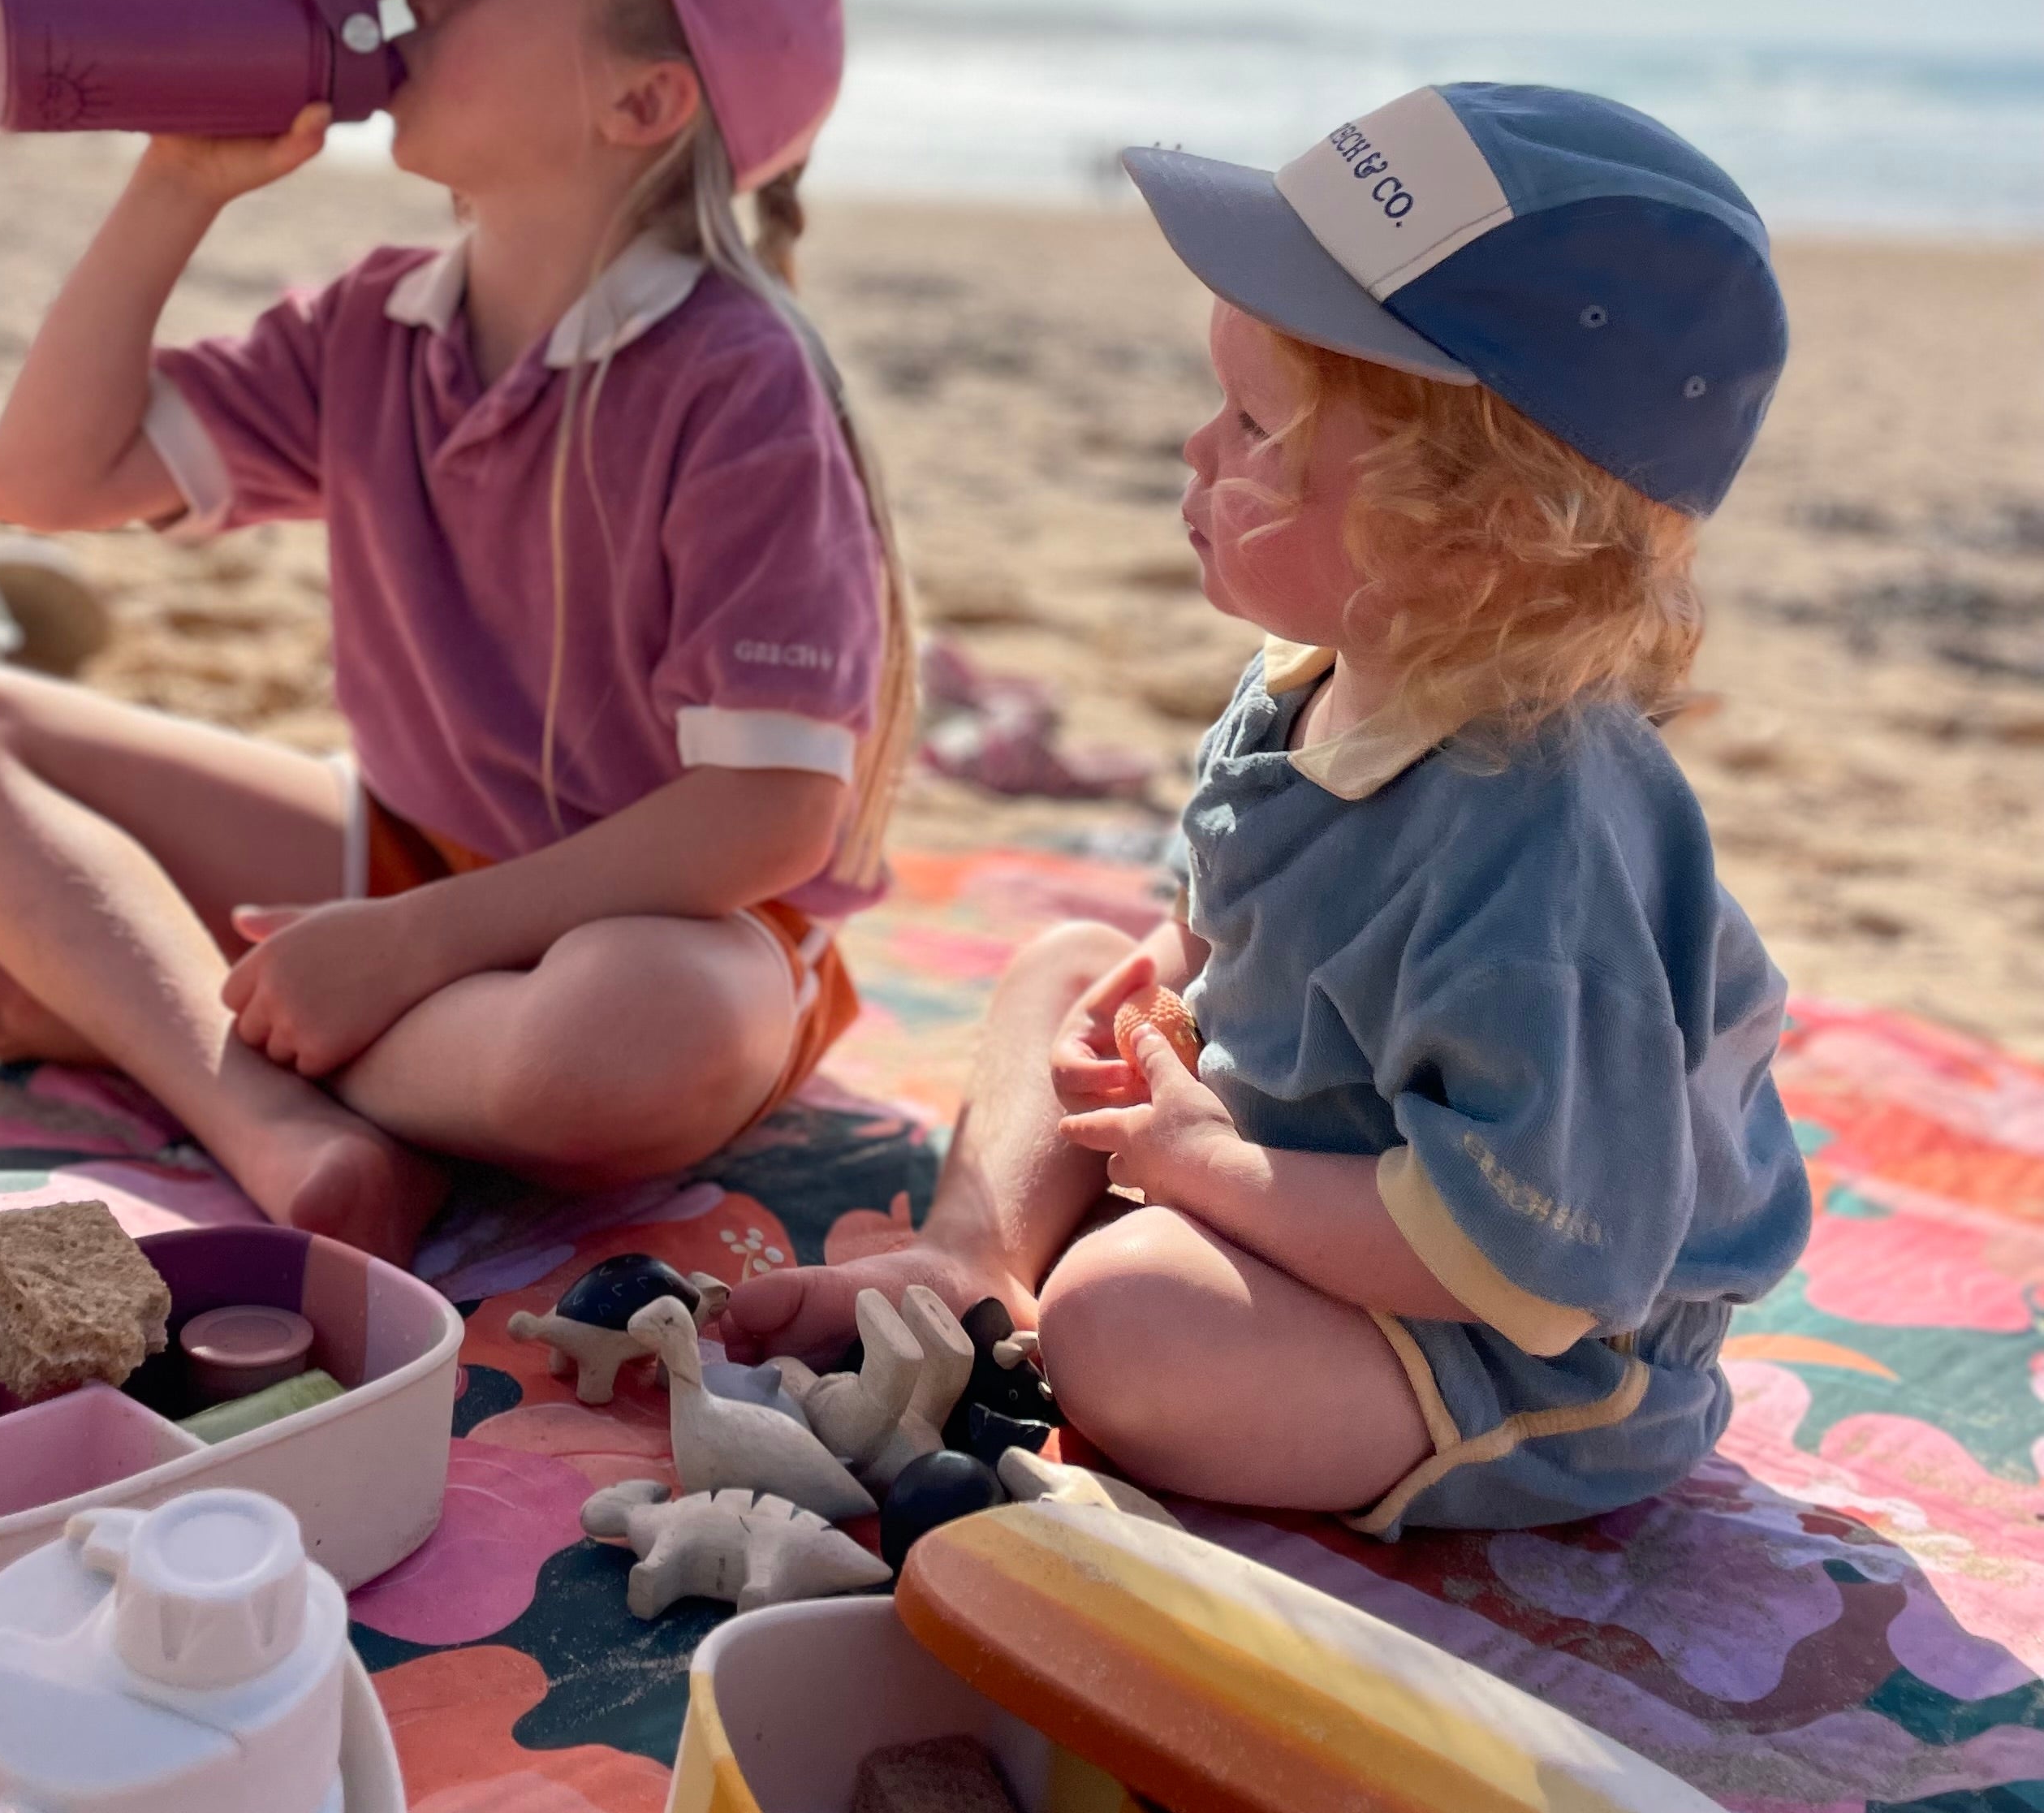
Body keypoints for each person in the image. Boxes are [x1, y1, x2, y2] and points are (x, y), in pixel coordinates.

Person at [724, 84, 1812, 1535]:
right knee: (1066, 963)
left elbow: (1548, 1268)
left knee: (1124, 1321)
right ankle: (974, 1259)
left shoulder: (1544, 852)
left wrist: (1211, 1170)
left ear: (1472, 538)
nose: (1195, 453)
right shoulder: (1312, 678)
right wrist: (1168, 988)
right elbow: (1233, 920)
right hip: (1319, 1163)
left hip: (1518, 1346)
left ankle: (1083, 1282)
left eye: (1252, 426)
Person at [0, 0, 912, 1263]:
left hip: (667, 924)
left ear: (641, 101)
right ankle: (277, 1121)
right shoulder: (374, 325)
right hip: (414, 854)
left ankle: (170, 1027)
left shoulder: (738, 379)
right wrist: (178, 188)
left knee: (627, 1037)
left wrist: (406, 951)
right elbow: (49, 478)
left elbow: (769, 814)